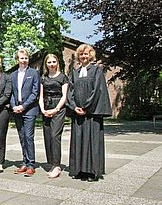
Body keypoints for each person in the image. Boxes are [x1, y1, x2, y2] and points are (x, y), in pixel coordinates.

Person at [66, 44, 112, 182]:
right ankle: (78, 170)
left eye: (86, 54)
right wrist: (74, 107)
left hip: (92, 113)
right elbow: (70, 92)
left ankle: (92, 172)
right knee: (78, 141)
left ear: (91, 55)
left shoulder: (97, 71)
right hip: (78, 113)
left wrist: (86, 107)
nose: (83, 56)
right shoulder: (74, 72)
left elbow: (97, 91)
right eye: (81, 54)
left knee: (92, 142)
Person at [10, 48, 40, 176]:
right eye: (21, 58)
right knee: (22, 137)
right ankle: (24, 162)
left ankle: (31, 164)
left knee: (28, 136)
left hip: (29, 110)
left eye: (26, 58)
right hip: (17, 110)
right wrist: (14, 106)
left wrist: (24, 106)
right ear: (17, 60)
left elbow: (35, 92)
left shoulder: (34, 73)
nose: (24, 60)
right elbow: (10, 93)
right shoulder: (13, 75)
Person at [38, 54, 68, 179]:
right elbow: (40, 96)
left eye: (53, 61)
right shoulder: (43, 78)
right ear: (46, 64)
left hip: (58, 107)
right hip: (46, 106)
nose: (51, 64)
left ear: (57, 63)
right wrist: (43, 109)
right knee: (48, 136)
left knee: (55, 136)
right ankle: (51, 162)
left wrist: (56, 109)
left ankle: (57, 165)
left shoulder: (63, 77)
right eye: (49, 62)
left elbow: (65, 96)